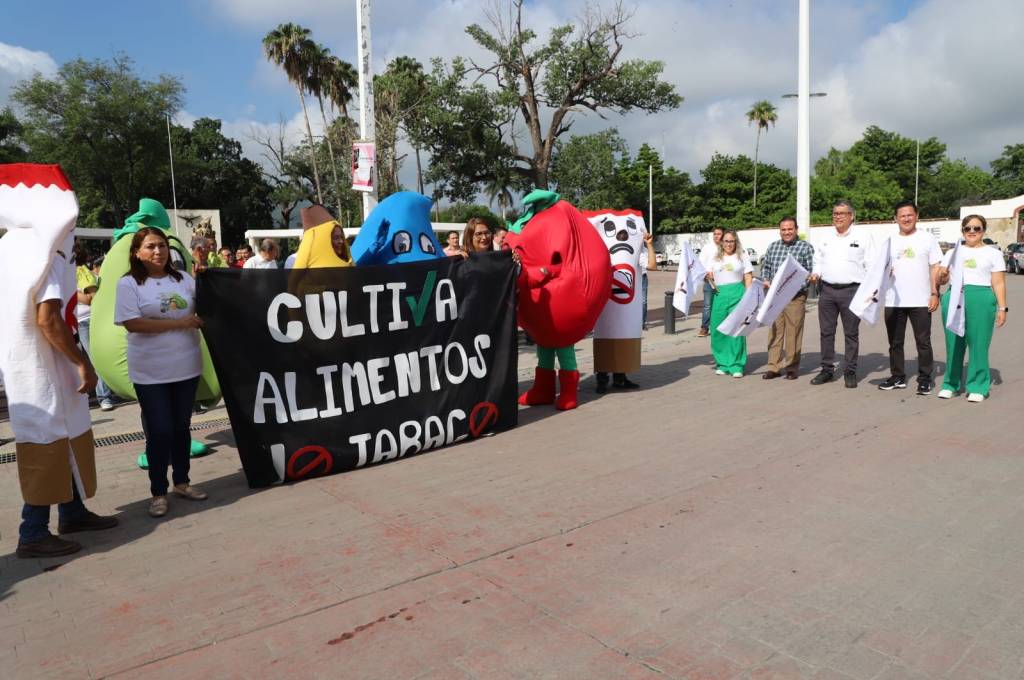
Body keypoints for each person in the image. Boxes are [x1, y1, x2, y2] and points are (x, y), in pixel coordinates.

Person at [114, 227, 208, 518]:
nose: (158, 251)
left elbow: (207, 306)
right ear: (137, 252)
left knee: (181, 428)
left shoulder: (184, 279)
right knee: (160, 431)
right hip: (150, 372)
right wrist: (180, 323)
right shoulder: (129, 283)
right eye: (151, 246)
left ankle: (182, 482)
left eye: (163, 246)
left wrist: (208, 276)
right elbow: (132, 323)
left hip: (186, 367)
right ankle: (158, 491)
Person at [936, 215, 1008, 402]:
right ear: (962, 231)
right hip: (954, 296)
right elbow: (942, 279)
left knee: (978, 343)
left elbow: (998, 283)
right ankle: (950, 384)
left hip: (981, 298)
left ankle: (978, 385)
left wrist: (1002, 308)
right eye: (968, 228)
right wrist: (942, 276)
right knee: (953, 343)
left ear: (983, 230)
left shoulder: (993, 254)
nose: (972, 232)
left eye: (977, 228)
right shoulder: (952, 252)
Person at [809, 200, 873, 388]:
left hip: (853, 291)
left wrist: (870, 292)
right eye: (835, 213)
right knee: (826, 333)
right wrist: (816, 273)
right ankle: (827, 370)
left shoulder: (863, 236)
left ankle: (850, 371)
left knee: (851, 333)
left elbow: (871, 264)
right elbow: (818, 261)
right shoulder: (825, 236)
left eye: (842, 213)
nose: (837, 217)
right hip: (827, 291)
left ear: (851, 216)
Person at [879, 201, 941, 394]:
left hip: (920, 300)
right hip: (894, 300)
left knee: (923, 342)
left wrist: (934, 293)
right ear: (895, 218)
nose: (906, 218)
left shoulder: (927, 238)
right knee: (895, 343)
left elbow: (935, 267)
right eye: (902, 216)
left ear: (916, 216)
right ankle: (897, 376)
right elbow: (879, 269)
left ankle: (925, 379)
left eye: (909, 215)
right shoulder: (889, 241)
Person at [760, 217, 816, 380]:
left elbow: (810, 271)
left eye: (790, 229)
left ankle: (791, 367)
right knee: (775, 332)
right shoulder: (773, 247)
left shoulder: (805, 247)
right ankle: (774, 367)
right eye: (783, 229)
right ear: (780, 231)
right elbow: (766, 267)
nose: (787, 232)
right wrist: (765, 279)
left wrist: (795, 286)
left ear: (796, 229)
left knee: (794, 332)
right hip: (775, 297)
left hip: (795, 297)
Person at [73, 242, 116, 410]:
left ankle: (104, 397)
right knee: (86, 360)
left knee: (95, 359)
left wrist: (70, 291)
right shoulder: (77, 271)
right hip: (80, 321)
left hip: (86, 320)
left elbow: (90, 298)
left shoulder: (80, 271)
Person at [707, 230, 753, 377]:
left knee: (736, 329)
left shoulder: (742, 257)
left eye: (731, 241)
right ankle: (722, 363)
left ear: (736, 242)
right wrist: (708, 277)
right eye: (726, 241)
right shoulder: (715, 258)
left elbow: (748, 277)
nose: (729, 244)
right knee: (718, 329)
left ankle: (736, 365)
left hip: (737, 294)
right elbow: (709, 277)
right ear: (721, 242)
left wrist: (749, 297)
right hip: (719, 295)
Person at [697, 227, 724, 337]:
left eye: (719, 234)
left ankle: (719, 327)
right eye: (715, 234)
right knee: (707, 305)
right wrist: (705, 275)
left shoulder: (726, 248)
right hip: (709, 281)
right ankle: (704, 328)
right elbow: (700, 263)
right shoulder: (707, 248)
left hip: (723, 281)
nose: (716, 236)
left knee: (720, 305)